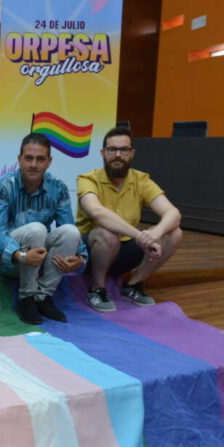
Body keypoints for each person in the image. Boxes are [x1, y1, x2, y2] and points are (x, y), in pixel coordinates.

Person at [76, 126, 182, 311]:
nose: (118, 155)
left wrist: (155, 233)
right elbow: (98, 213)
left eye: (123, 150)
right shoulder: (88, 179)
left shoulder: (141, 180)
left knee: (174, 232)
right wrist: (140, 235)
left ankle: (133, 285)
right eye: (112, 149)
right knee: (107, 233)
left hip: (126, 249)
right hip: (91, 252)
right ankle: (97, 289)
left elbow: (173, 213)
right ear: (103, 153)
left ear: (132, 153)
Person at [0, 133, 87, 324]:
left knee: (70, 232)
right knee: (37, 229)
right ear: (19, 159)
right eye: (29, 158)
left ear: (49, 162)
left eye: (40, 159)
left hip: (38, 258)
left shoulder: (58, 188)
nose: (34, 164)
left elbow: (67, 225)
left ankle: (43, 297)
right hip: (8, 260)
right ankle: (26, 298)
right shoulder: (3, 186)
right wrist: (21, 255)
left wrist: (80, 258)